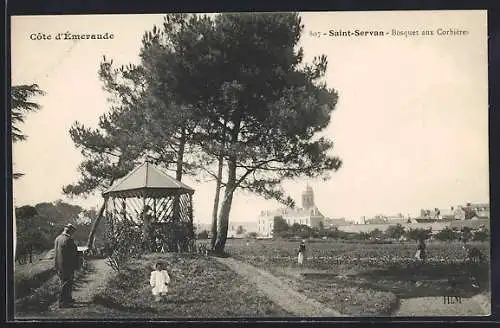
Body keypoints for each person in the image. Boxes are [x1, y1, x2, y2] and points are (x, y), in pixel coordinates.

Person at [54, 223, 78, 308]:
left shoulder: (58, 238)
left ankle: (68, 298)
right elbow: (73, 253)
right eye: (72, 231)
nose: (72, 233)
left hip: (59, 264)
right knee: (66, 283)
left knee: (64, 282)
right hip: (67, 265)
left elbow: (56, 253)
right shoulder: (69, 240)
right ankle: (62, 302)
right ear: (70, 231)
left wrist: (56, 265)